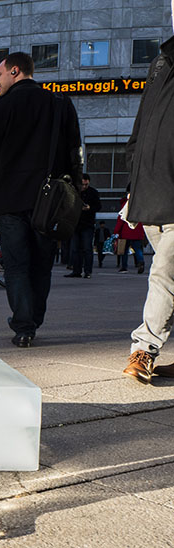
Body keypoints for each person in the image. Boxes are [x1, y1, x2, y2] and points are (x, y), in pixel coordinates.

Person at [0, 52, 82, 348]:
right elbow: (75, 152)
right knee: (41, 264)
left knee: (17, 264)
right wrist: (77, 193)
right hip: (50, 201)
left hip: (10, 200)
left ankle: (23, 325)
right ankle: (34, 318)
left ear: (15, 71)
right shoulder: (60, 104)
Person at [120, 19, 174, 385]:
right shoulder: (161, 62)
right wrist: (133, 177)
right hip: (152, 190)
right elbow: (140, 129)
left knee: (164, 275)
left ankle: (145, 347)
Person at [64, 174, 102, 278]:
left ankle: (87, 271)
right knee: (75, 249)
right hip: (76, 224)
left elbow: (98, 206)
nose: (84, 187)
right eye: (82, 184)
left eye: (86, 184)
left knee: (86, 248)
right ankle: (77, 270)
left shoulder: (93, 192)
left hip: (87, 224)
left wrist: (90, 208)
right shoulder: (74, 191)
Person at [114, 194, 145, 274]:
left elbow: (121, 219)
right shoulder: (141, 204)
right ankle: (141, 261)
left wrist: (116, 231)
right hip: (137, 230)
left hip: (126, 231)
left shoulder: (126, 204)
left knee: (124, 250)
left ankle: (124, 267)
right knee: (137, 249)